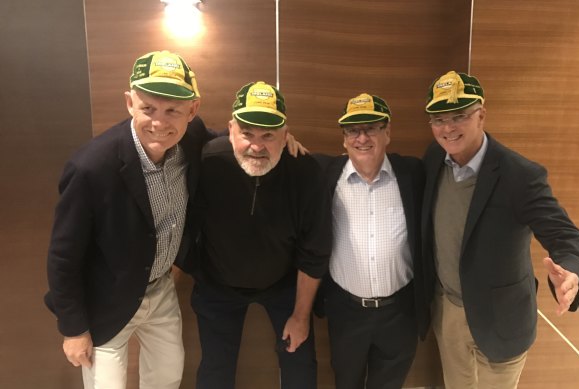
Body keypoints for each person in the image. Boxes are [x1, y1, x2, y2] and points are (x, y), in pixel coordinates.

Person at [44, 50, 215, 388]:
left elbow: (231, 139)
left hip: (161, 288)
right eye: (148, 108)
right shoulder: (91, 168)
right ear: (129, 103)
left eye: (173, 111)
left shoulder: (192, 138)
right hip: (105, 299)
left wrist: (280, 141)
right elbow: (63, 257)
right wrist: (73, 328)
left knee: (167, 378)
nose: (160, 123)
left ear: (192, 111)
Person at [421, 70, 579, 388]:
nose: (448, 128)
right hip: (449, 311)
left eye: (459, 116)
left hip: (502, 318)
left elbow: (565, 237)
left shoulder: (520, 175)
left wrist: (573, 272)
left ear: (481, 114)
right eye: (439, 119)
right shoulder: (432, 159)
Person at [188, 81, 332, 389]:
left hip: (282, 284)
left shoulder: (306, 172)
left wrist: (301, 315)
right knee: (215, 368)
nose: (257, 145)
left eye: (269, 135)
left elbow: (315, 250)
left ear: (285, 135)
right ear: (230, 130)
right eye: (247, 134)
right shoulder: (208, 162)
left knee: (300, 361)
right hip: (217, 285)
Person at [316, 93, 424, 389]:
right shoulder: (325, 174)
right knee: (346, 382)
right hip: (346, 311)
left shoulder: (413, 174)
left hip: (400, 312)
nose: (362, 137)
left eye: (371, 128)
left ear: (387, 132)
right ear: (343, 139)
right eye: (353, 130)